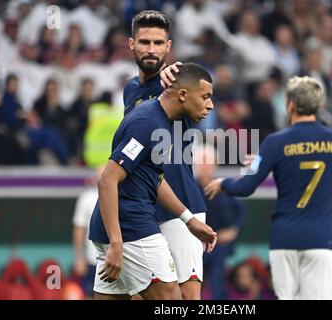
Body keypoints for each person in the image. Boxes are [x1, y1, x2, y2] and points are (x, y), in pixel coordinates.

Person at [205, 76, 332, 300]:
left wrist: (224, 183)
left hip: (285, 237)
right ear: (317, 105)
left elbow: (246, 187)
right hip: (321, 238)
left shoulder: (275, 143)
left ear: (290, 104)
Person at [88, 62, 216, 300]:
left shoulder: (161, 123)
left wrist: (188, 220)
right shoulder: (146, 123)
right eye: (206, 97)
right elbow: (107, 181)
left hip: (115, 228)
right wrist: (117, 243)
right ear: (183, 94)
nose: (210, 105)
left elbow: (154, 179)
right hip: (131, 227)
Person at [122, 10, 209, 300]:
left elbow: (186, 81)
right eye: (145, 42)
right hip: (143, 207)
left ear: (169, 47)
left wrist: (172, 73)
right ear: (131, 44)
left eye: (159, 43)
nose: (151, 49)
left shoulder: (175, 82)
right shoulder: (130, 90)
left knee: (187, 298)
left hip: (181, 204)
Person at [193, 144, 246, 300]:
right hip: (193, 242)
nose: (204, 166)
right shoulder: (189, 186)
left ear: (215, 163)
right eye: (201, 162)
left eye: (208, 162)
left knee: (218, 276)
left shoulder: (222, 186)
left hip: (217, 243)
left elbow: (241, 211)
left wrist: (233, 230)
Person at [72, 166, 104, 299]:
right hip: (93, 259)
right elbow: (79, 229)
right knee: (90, 294)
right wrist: (79, 258)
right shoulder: (86, 198)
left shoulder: (121, 195)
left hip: (118, 259)